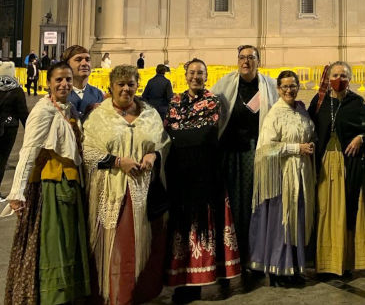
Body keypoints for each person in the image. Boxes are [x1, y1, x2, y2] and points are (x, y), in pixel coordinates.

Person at [4, 61, 90, 304]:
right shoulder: (43, 111)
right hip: (50, 187)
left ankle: (67, 294)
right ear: (49, 82)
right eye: (58, 80)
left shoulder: (68, 108)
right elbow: (28, 152)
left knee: (67, 244)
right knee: (54, 246)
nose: (64, 84)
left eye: (68, 80)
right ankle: (53, 297)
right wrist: (17, 193)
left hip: (69, 184)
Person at [83, 64, 169, 305]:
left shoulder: (150, 114)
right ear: (110, 87)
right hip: (112, 193)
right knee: (116, 248)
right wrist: (118, 161)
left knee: (141, 247)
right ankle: (116, 297)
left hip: (144, 192)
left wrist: (154, 155)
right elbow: (88, 152)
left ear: (137, 85)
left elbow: (162, 143)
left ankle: (137, 293)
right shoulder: (99, 116)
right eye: (120, 84)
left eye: (131, 83)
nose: (126, 89)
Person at [164, 58, 240, 303]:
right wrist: (185, 135)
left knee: (203, 228)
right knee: (181, 228)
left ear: (206, 77)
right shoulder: (175, 100)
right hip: (180, 175)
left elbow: (206, 132)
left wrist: (182, 135)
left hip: (205, 174)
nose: (196, 76)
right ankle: (181, 282)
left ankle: (199, 282)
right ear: (185, 75)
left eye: (200, 73)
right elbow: (170, 130)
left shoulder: (213, 101)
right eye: (192, 72)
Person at [211, 44, 278, 278]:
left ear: (258, 61)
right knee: (232, 204)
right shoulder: (225, 84)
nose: (246, 61)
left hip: (255, 152)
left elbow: (280, 113)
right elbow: (209, 110)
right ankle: (231, 258)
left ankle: (254, 257)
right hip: (230, 154)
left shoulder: (269, 85)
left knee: (254, 204)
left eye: (251, 57)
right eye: (242, 57)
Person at [249, 70, 316, 286]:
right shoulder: (274, 114)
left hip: (302, 173)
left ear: (298, 86)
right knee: (284, 222)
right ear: (278, 89)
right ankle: (279, 271)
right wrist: (296, 148)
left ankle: (295, 268)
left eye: (292, 86)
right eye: (284, 87)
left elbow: (308, 134)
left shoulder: (302, 110)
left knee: (298, 220)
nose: (289, 90)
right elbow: (265, 149)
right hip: (283, 176)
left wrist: (310, 144)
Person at [309, 61, 365, 276]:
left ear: (350, 79)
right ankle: (325, 262)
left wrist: (361, 137)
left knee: (346, 212)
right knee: (325, 212)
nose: (339, 80)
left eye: (344, 76)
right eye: (335, 75)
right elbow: (309, 128)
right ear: (328, 78)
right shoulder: (319, 102)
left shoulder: (358, 102)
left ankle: (345, 263)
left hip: (349, 165)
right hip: (326, 165)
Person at [0, 62, 29, 199]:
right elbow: (23, 113)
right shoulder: (16, 90)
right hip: (9, 128)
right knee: (2, 160)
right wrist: (30, 130)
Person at [63, 44, 104, 119]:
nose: (85, 63)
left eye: (88, 60)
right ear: (67, 66)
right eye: (78, 60)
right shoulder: (59, 95)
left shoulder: (98, 94)